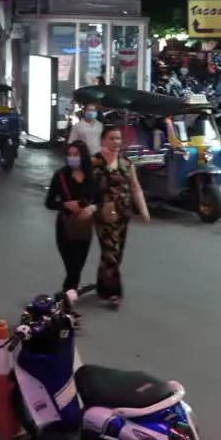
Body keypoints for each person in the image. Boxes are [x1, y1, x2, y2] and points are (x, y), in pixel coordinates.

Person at [91, 125, 150, 309]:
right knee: (111, 252)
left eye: (118, 139)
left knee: (116, 253)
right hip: (104, 215)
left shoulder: (126, 163)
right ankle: (114, 293)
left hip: (123, 214)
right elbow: (85, 188)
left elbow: (135, 187)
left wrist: (143, 209)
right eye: (111, 138)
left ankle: (102, 285)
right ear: (103, 140)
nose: (116, 142)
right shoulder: (95, 162)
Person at [44, 140, 97, 326]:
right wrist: (66, 204)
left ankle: (63, 300)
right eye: (70, 154)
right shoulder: (60, 176)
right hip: (65, 228)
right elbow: (49, 202)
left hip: (84, 229)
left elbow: (98, 198)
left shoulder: (92, 176)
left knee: (78, 269)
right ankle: (67, 309)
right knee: (72, 268)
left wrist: (91, 208)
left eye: (76, 154)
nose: (72, 158)